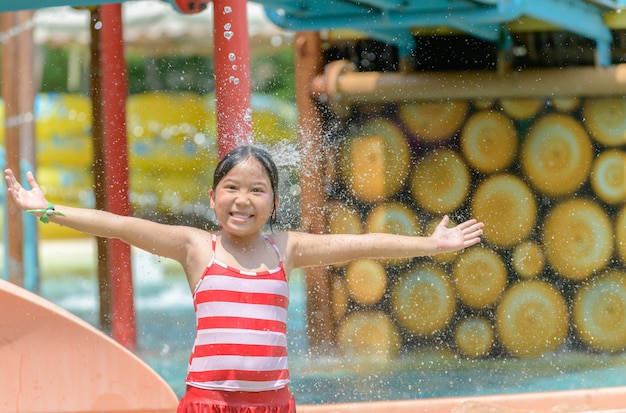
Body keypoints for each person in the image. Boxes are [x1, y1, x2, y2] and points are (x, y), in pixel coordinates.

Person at [4, 144, 483, 413]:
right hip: (207, 404)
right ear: (213, 199)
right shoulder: (197, 248)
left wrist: (430, 244)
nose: (243, 199)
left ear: (273, 203)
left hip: (273, 405)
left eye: (258, 190)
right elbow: (124, 226)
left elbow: (360, 245)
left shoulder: (286, 247)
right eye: (231, 188)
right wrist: (49, 210)